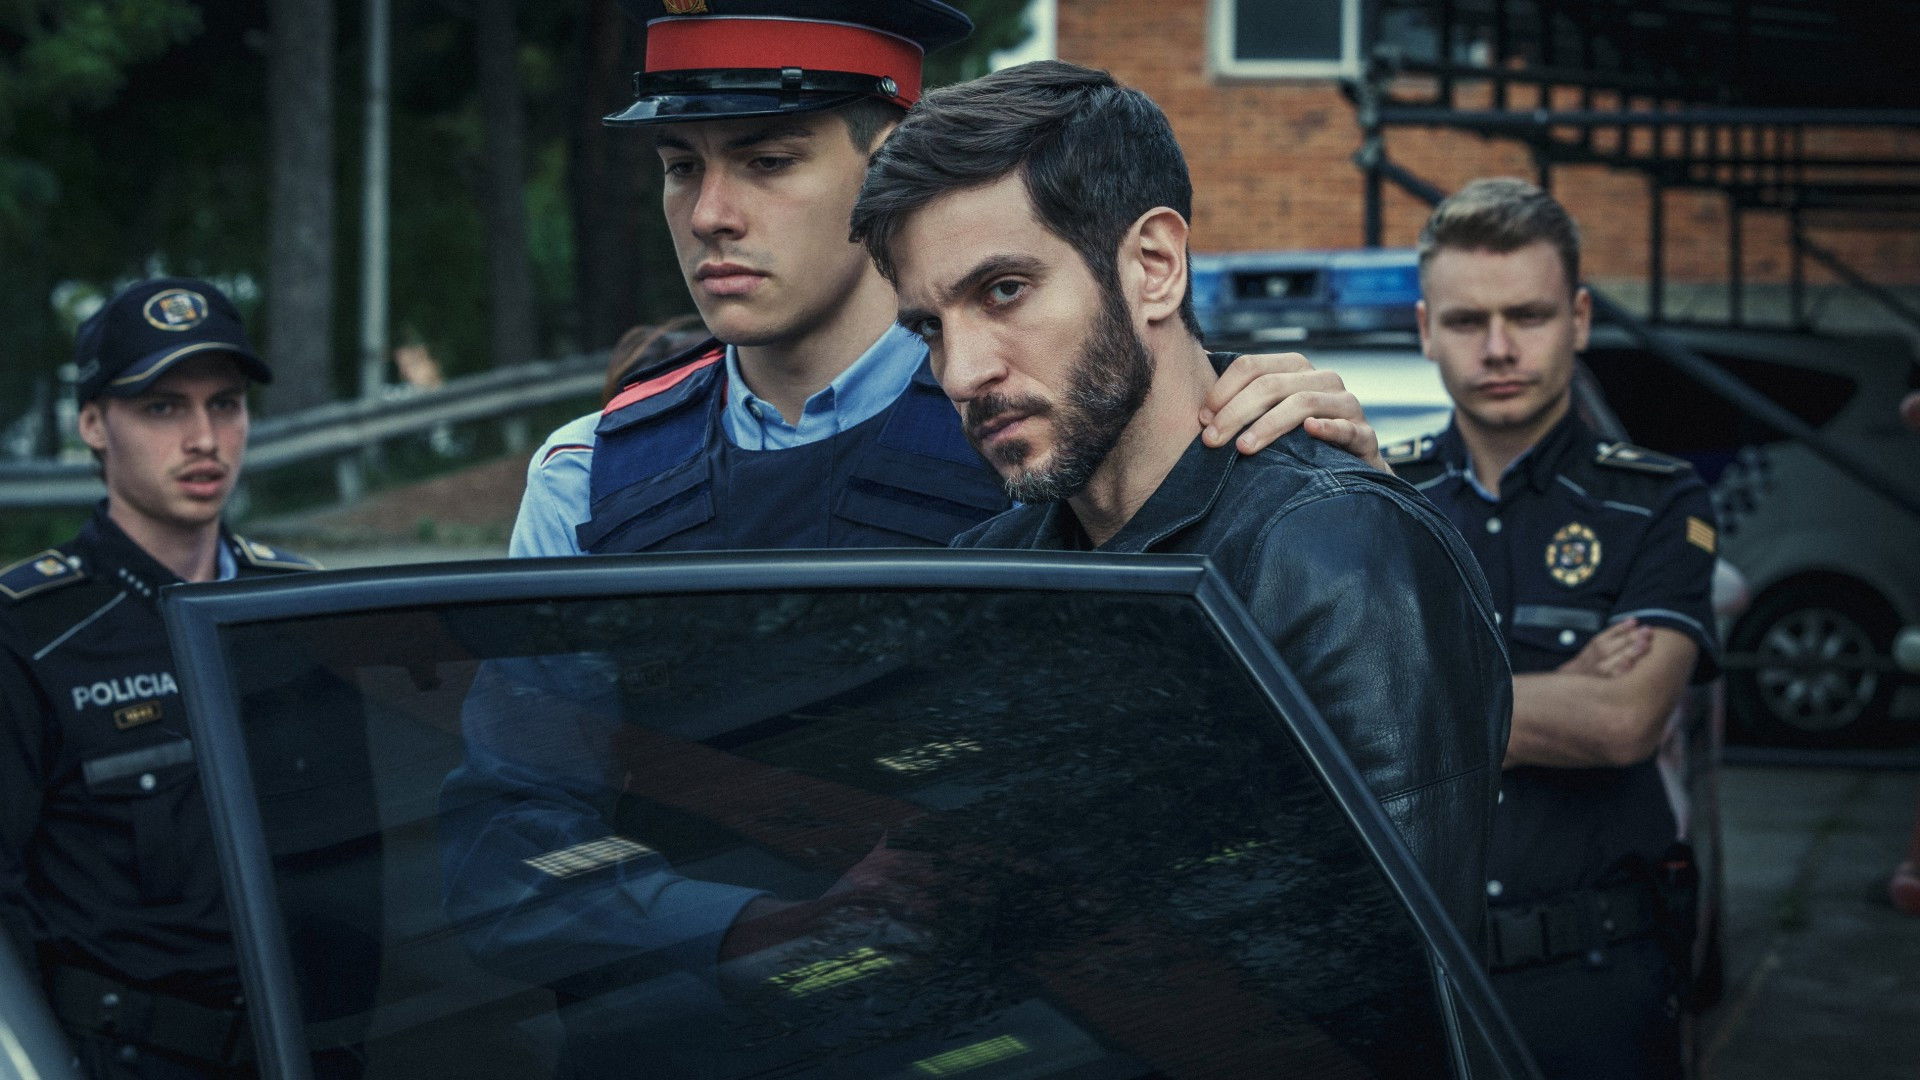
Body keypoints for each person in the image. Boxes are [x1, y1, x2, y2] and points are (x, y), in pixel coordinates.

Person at [846, 60, 1511, 957]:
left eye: (1003, 291)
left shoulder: (1327, 552)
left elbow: (1378, 964)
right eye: (929, 327)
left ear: (1154, 267)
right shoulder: (990, 566)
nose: (961, 373)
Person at [508, 0, 1384, 562]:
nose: (709, 215)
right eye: (679, 168)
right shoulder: (589, 477)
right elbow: (524, 785)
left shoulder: (1059, 427)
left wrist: (1345, 479)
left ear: (888, 164)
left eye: (768, 161)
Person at [1379, 178, 1721, 1080]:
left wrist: (1412, 706)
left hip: (1596, 978)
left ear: (1579, 318)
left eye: (1527, 316)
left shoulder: (1658, 500)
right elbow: (1321, 715)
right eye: (1467, 321)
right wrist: (1558, 694)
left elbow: (1624, 723)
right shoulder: (1380, 504)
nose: (1498, 348)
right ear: (1426, 330)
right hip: (1418, 978)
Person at [0, 277, 319, 1078]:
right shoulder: (29, 632)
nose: (205, 438)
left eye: (225, 404)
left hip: (311, 1044)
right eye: (163, 408)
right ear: (93, 424)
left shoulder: (297, 604)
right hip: (123, 1058)